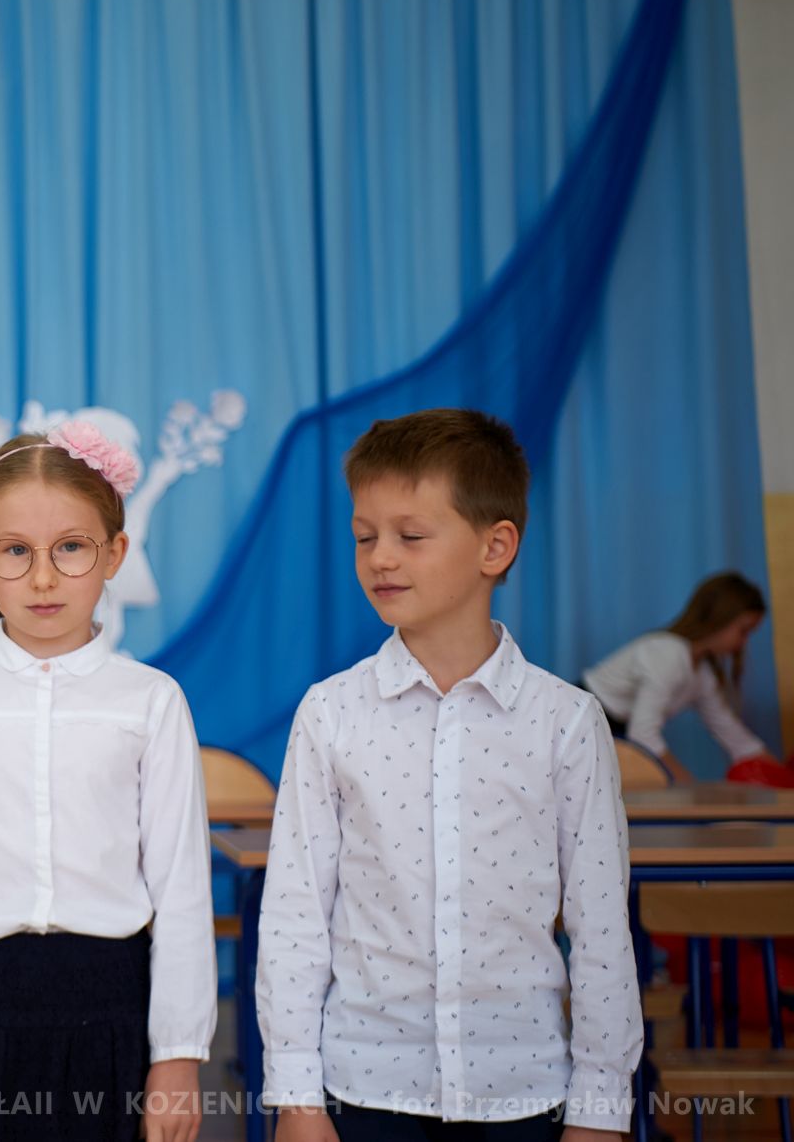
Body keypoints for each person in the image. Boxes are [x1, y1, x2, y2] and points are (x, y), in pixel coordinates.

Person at [259, 408, 640, 1142]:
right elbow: (295, 916)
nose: (380, 558)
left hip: (523, 1092)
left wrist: (600, 1107)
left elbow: (599, 928)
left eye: (410, 535)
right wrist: (297, 1097)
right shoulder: (330, 714)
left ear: (495, 546)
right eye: (364, 536)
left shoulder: (566, 721)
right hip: (364, 1088)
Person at [0, 422, 213, 1142]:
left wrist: (178, 1055)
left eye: (71, 548)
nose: (44, 578)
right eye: (16, 551)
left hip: (111, 1016)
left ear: (114, 553)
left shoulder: (151, 702)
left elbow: (182, 892)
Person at [581, 572, 791, 786]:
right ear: (719, 619)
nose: (744, 642)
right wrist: (688, 784)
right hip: (585, 721)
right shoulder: (669, 654)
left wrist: (782, 778)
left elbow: (734, 736)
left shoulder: (702, 674)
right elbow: (643, 734)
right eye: (744, 631)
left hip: (613, 728)